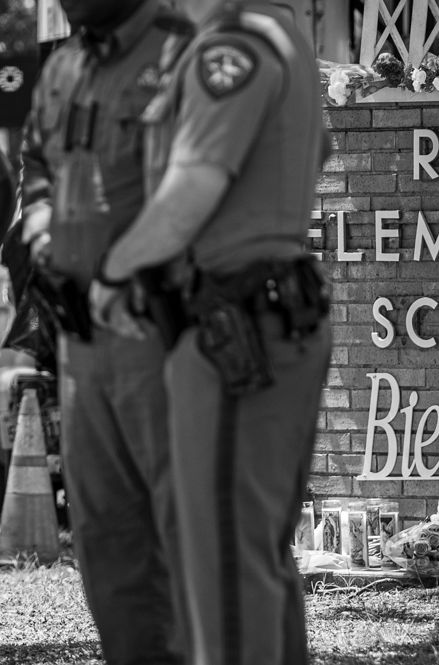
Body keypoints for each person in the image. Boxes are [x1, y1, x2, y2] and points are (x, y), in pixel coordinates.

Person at [91, 1, 331, 663]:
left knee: (224, 564)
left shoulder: (234, 47)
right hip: (262, 318)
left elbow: (190, 189)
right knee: (255, 559)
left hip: (235, 329)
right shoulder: (282, 36)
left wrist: (114, 271)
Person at [18, 1, 192, 663]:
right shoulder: (61, 66)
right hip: (82, 346)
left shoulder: (184, 55)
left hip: (164, 338)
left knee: (185, 535)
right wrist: (42, 240)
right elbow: (36, 165)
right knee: (104, 536)